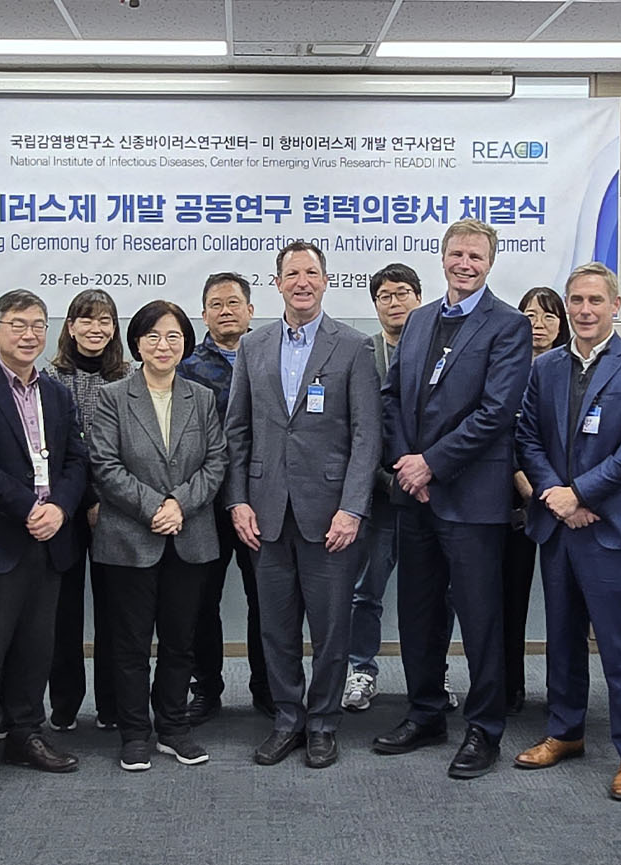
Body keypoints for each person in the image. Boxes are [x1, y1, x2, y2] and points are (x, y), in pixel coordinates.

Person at [373, 220, 531, 780]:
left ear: (491, 262)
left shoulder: (509, 325)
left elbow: (496, 412)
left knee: (481, 620)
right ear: (442, 258)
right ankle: (425, 713)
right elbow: (390, 399)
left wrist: (431, 463)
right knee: (417, 613)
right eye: (456, 254)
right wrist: (404, 464)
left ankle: (483, 728)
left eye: (476, 256)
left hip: (471, 496)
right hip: (414, 496)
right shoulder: (417, 320)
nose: (465, 263)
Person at [513, 262, 621, 801]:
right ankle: (565, 730)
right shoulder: (545, 368)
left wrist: (579, 494)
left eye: (595, 301)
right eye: (576, 300)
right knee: (561, 637)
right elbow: (527, 436)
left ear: (615, 305)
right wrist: (558, 497)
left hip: (612, 526)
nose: (584, 310)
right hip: (559, 526)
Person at [225, 241, 381, 769]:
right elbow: (237, 432)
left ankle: (323, 723)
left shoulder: (354, 347)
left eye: (311, 272)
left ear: (326, 280)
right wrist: (237, 502)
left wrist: (353, 507)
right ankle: (287, 720)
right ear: (277, 283)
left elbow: (366, 437)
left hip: (330, 513)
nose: (302, 281)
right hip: (265, 514)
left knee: (332, 627)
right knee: (276, 626)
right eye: (292, 273)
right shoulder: (254, 346)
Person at [0, 289, 89, 801]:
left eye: (38, 325)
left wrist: (60, 509)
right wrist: (29, 508)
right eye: (19, 324)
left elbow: (76, 461)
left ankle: (27, 732)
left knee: (37, 646)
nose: (30, 335)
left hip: (49, 538)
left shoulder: (56, 393)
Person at [87, 300, 226, 772]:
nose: (163, 345)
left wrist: (178, 505)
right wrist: (154, 508)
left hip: (190, 536)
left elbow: (217, 463)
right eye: (152, 337)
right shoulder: (112, 397)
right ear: (137, 343)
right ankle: (134, 732)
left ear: (185, 343)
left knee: (179, 640)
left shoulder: (203, 398)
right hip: (128, 537)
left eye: (173, 337)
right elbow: (104, 466)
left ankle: (173, 728)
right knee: (128, 644)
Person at [178, 272, 274, 723]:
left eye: (234, 303)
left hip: (265, 500)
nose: (225, 311)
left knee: (267, 598)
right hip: (206, 503)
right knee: (201, 600)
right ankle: (207, 688)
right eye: (215, 305)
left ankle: (268, 687)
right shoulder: (186, 367)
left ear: (251, 310)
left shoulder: (274, 356)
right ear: (204, 314)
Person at [43, 288, 129, 731]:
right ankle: (65, 706)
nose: (96, 329)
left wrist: (105, 499)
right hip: (65, 510)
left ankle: (113, 707)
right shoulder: (47, 379)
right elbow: (53, 450)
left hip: (120, 510)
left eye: (106, 321)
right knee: (64, 612)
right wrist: (83, 500)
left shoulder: (129, 376)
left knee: (117, 611)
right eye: (87, 320)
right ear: (71, 326)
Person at [341, 263, 421, 713]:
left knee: (432, 591)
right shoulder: (361, 353)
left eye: (403, 293)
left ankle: (432, 673)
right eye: (385, 296)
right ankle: (361, 670)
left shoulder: (437, 349)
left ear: (418, 297)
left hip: (428, 492)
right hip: (376, 494)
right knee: (366, 590)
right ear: (375, 305)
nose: (395, 302)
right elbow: (352, 429)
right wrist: (387, 479)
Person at [502, 286, 570, 714]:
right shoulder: (505, 370)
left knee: (567, 604)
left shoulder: (571, 371)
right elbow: (501, 432)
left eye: (548, 316)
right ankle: (509, 689)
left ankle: (565, 694)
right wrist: (528, 485)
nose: (538, 325)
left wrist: (560, 491)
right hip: (514, 501)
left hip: (571, 500)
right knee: (509, 599)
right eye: (529, 316)